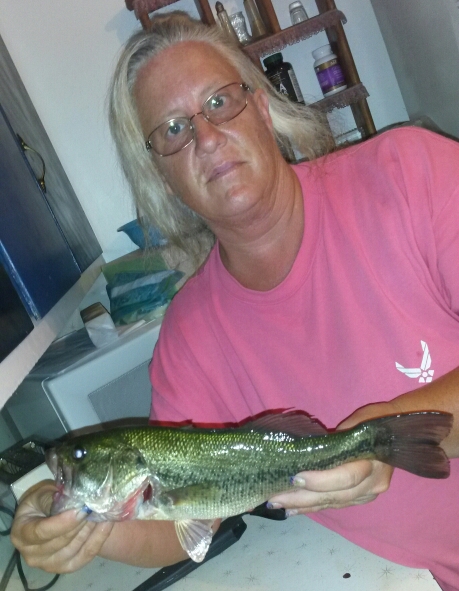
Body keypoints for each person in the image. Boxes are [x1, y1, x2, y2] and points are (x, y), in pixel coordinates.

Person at [11, 11, 459, 590]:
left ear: (263, 109)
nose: (206, 137)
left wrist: (386, 435)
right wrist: (75, 522)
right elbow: (179, 522)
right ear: (162, 175)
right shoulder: (190, 337)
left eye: (220, 102)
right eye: (173, 129)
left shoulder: (409, 172)